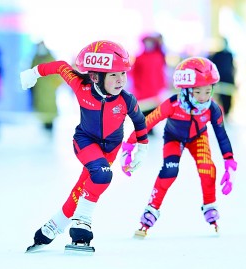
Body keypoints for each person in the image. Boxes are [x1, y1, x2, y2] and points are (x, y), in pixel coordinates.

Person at [20, 40, 149, 252]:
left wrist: (141, 149)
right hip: (85, 141)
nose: (120, 80)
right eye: (114, 75)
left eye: (123, 74)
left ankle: (52, 227)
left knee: (83, 187)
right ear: (96, 76)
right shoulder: (82, 87)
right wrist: (34, 72)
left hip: (109, 150)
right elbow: (60, 66)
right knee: (102, 175)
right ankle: (83, 221)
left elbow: (140, 122)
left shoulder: (126, 100)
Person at [120, 57, 238, 237]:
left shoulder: (212, 109)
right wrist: (129, 144)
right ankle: (150, 212)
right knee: (169, 172)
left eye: (208, 91)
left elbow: (221, 135)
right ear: (186, 91)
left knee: (208, 169)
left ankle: (210, 206)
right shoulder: (172, 105)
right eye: (198, 92)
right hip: (173, 139)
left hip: (198, 138)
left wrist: (228, 160)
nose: (204, 98)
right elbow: (147, 123)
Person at [129, 33, 167, 124]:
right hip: (142, 89)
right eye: (147, 42)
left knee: (154, 109)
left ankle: (151, 126)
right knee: (143, 108)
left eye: (150, 42)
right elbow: (133, 73)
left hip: (155, 88)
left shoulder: (158, 57)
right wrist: (136, 86)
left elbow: (161, 73)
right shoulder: (139, 58)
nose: (148, 44)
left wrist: (162, 85)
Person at [30, 41, 63, 132]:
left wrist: (55, 84)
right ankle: (44, 125)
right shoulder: (35, 58)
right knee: (41, 108)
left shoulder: (51, 58)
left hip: (49, 89)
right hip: (39, 88)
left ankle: (49, 125)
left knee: (49, 108)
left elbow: (57, 74)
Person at [208, 37, 236, 117]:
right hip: (219, 80)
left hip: (228, 80)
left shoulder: (229, 55)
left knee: (228, 98)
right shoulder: (217, 55)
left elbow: (232, 68)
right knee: (219, 98)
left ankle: (227, 114)